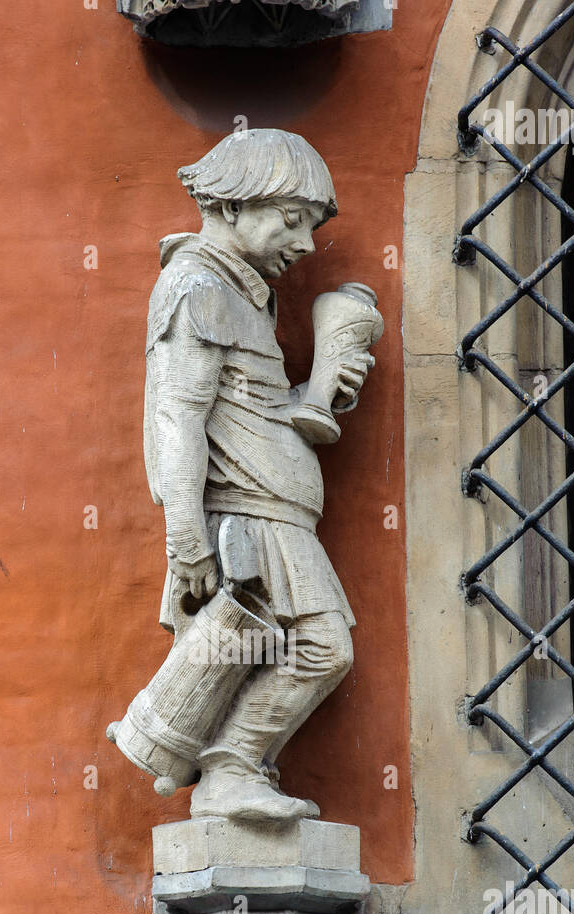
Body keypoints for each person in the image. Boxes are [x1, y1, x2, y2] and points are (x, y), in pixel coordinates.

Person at [143, 127, 374, 821]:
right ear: (233, 206)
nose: (303, 244)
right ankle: (230, 771)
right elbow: (176, 415)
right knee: (321, 646)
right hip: (244, 518)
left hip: (271, 511)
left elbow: (245, 405)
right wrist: (186, 539)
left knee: (306, 645)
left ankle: (234, 770)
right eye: (292, 220)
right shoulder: (196, 285)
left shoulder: (240, 292)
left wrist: (313, 396)